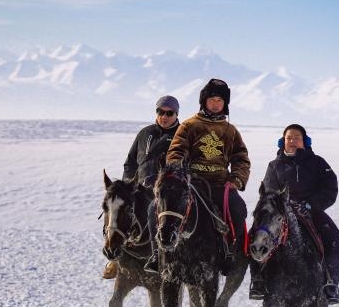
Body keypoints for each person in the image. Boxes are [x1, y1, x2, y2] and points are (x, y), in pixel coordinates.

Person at [164, 79, 251, 265]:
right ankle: (160, 254)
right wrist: (178, 171)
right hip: (192, 183)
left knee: (239, 209)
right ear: (204, 101)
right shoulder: (189, 125)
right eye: (212, 99)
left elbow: (241, 157)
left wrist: (236, 180)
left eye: (220, 100)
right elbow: (176, 151)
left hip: (221, 184)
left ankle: (231, 252)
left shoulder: (230, 130)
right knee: (164, 210)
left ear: (225, 103)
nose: (216, 104)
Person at [254, 123, 339, 305]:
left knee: (333, 237)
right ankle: (258, 281)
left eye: (297, 138)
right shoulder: (274, 165)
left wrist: (311, 205)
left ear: (305, 141)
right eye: (289, 138)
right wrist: (280, 207)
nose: (292, 141)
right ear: (282, 142)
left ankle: (331, 283)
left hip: (311, 212)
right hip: (280, 213)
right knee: (256, 235)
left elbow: (330, 188)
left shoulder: (318, 163)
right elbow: (269, 192)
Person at [103, 95, 180, 279]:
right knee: (115, 209)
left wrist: (160, 181)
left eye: (169, 113)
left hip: (164, 191)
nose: (165, 116)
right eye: (161, 112)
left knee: (160, 218)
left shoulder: (181, 135)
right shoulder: (145, 133)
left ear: (176, 114)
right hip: (137, 187)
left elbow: (181, 165)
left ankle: (165, 259)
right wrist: (127, 184)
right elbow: (130, 162)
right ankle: (115, 257)